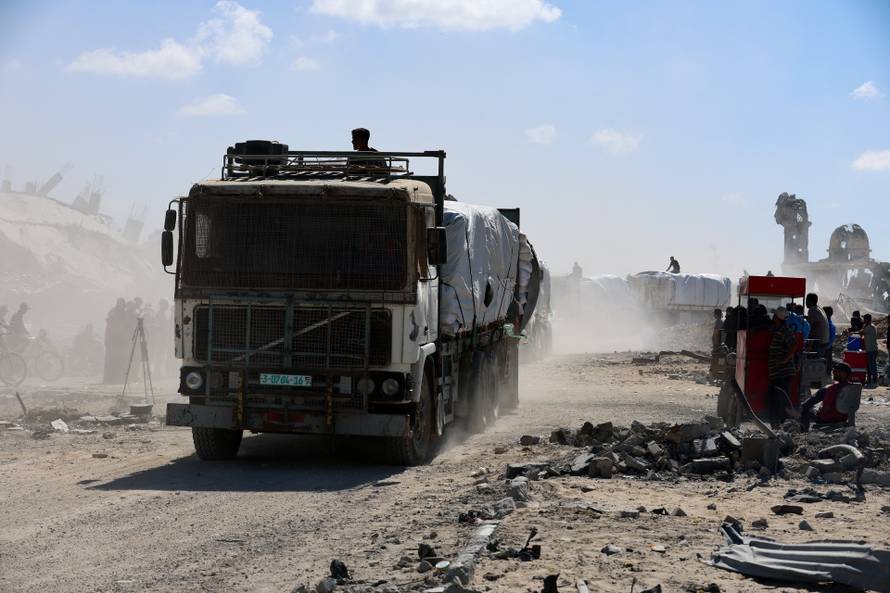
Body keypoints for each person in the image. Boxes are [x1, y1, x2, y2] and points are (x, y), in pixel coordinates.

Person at [798, 362, 853, 431]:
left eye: (835, 371)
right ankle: (799, 408)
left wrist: (819, 412)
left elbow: (826, 409)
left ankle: (803, 432)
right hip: (843, 418)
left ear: (843, 373)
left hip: (827, 419)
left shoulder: (831, 389)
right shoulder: (853, 388)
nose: (833, 373)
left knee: (804, 409)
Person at [767, 307, 797, 428]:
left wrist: (785, 359)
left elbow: (794, 345)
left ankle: (784, 425)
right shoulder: (778, 329)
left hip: (783, 373)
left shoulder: (785, 330)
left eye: (774, 316)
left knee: (781, 400)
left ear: (777, 318)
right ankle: (777, 424)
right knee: (774, 399)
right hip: (777, 373)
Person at [862, 313, 878, 388]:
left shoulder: (870, 327)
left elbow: (861, 332)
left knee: (872, 366)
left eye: (864, 319)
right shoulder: (869, 326)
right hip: (870, 350)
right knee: (868, 367)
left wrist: (851, 332)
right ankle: (869, 381)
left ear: (867, 320)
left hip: (871, 350)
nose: (863, 320)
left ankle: (875, 381)